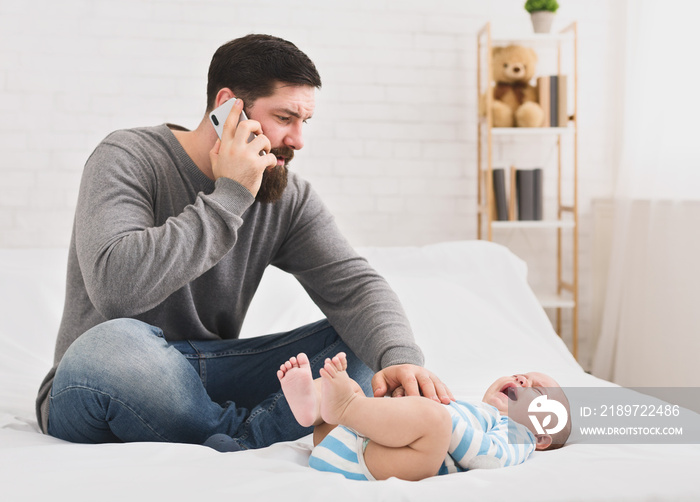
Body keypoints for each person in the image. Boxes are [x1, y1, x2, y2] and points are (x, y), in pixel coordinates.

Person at [35, 34, 453, 451]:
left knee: (361, 348)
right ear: (228, 107)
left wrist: (399, 358)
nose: (298, 139)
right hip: (104, 378)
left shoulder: (287, 197)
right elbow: (117, 290)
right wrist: (230, 195)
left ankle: (243, 434)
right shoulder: (127, 157)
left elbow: (355, 286)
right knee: (113, 346)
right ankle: (249, 432)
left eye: (304, 122)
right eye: (286, 117)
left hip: (209, 373)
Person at [278, 352, 571, 481]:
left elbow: (487, 457)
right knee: (348, 384)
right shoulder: (472, 409)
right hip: (339, 441)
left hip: (381, 460)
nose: (523, 379)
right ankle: (313, 410)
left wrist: (434, 414)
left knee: (435, 421)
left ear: (541, 436)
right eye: (523, 374)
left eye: (537, 390)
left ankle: (348, 407)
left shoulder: (519, 436)